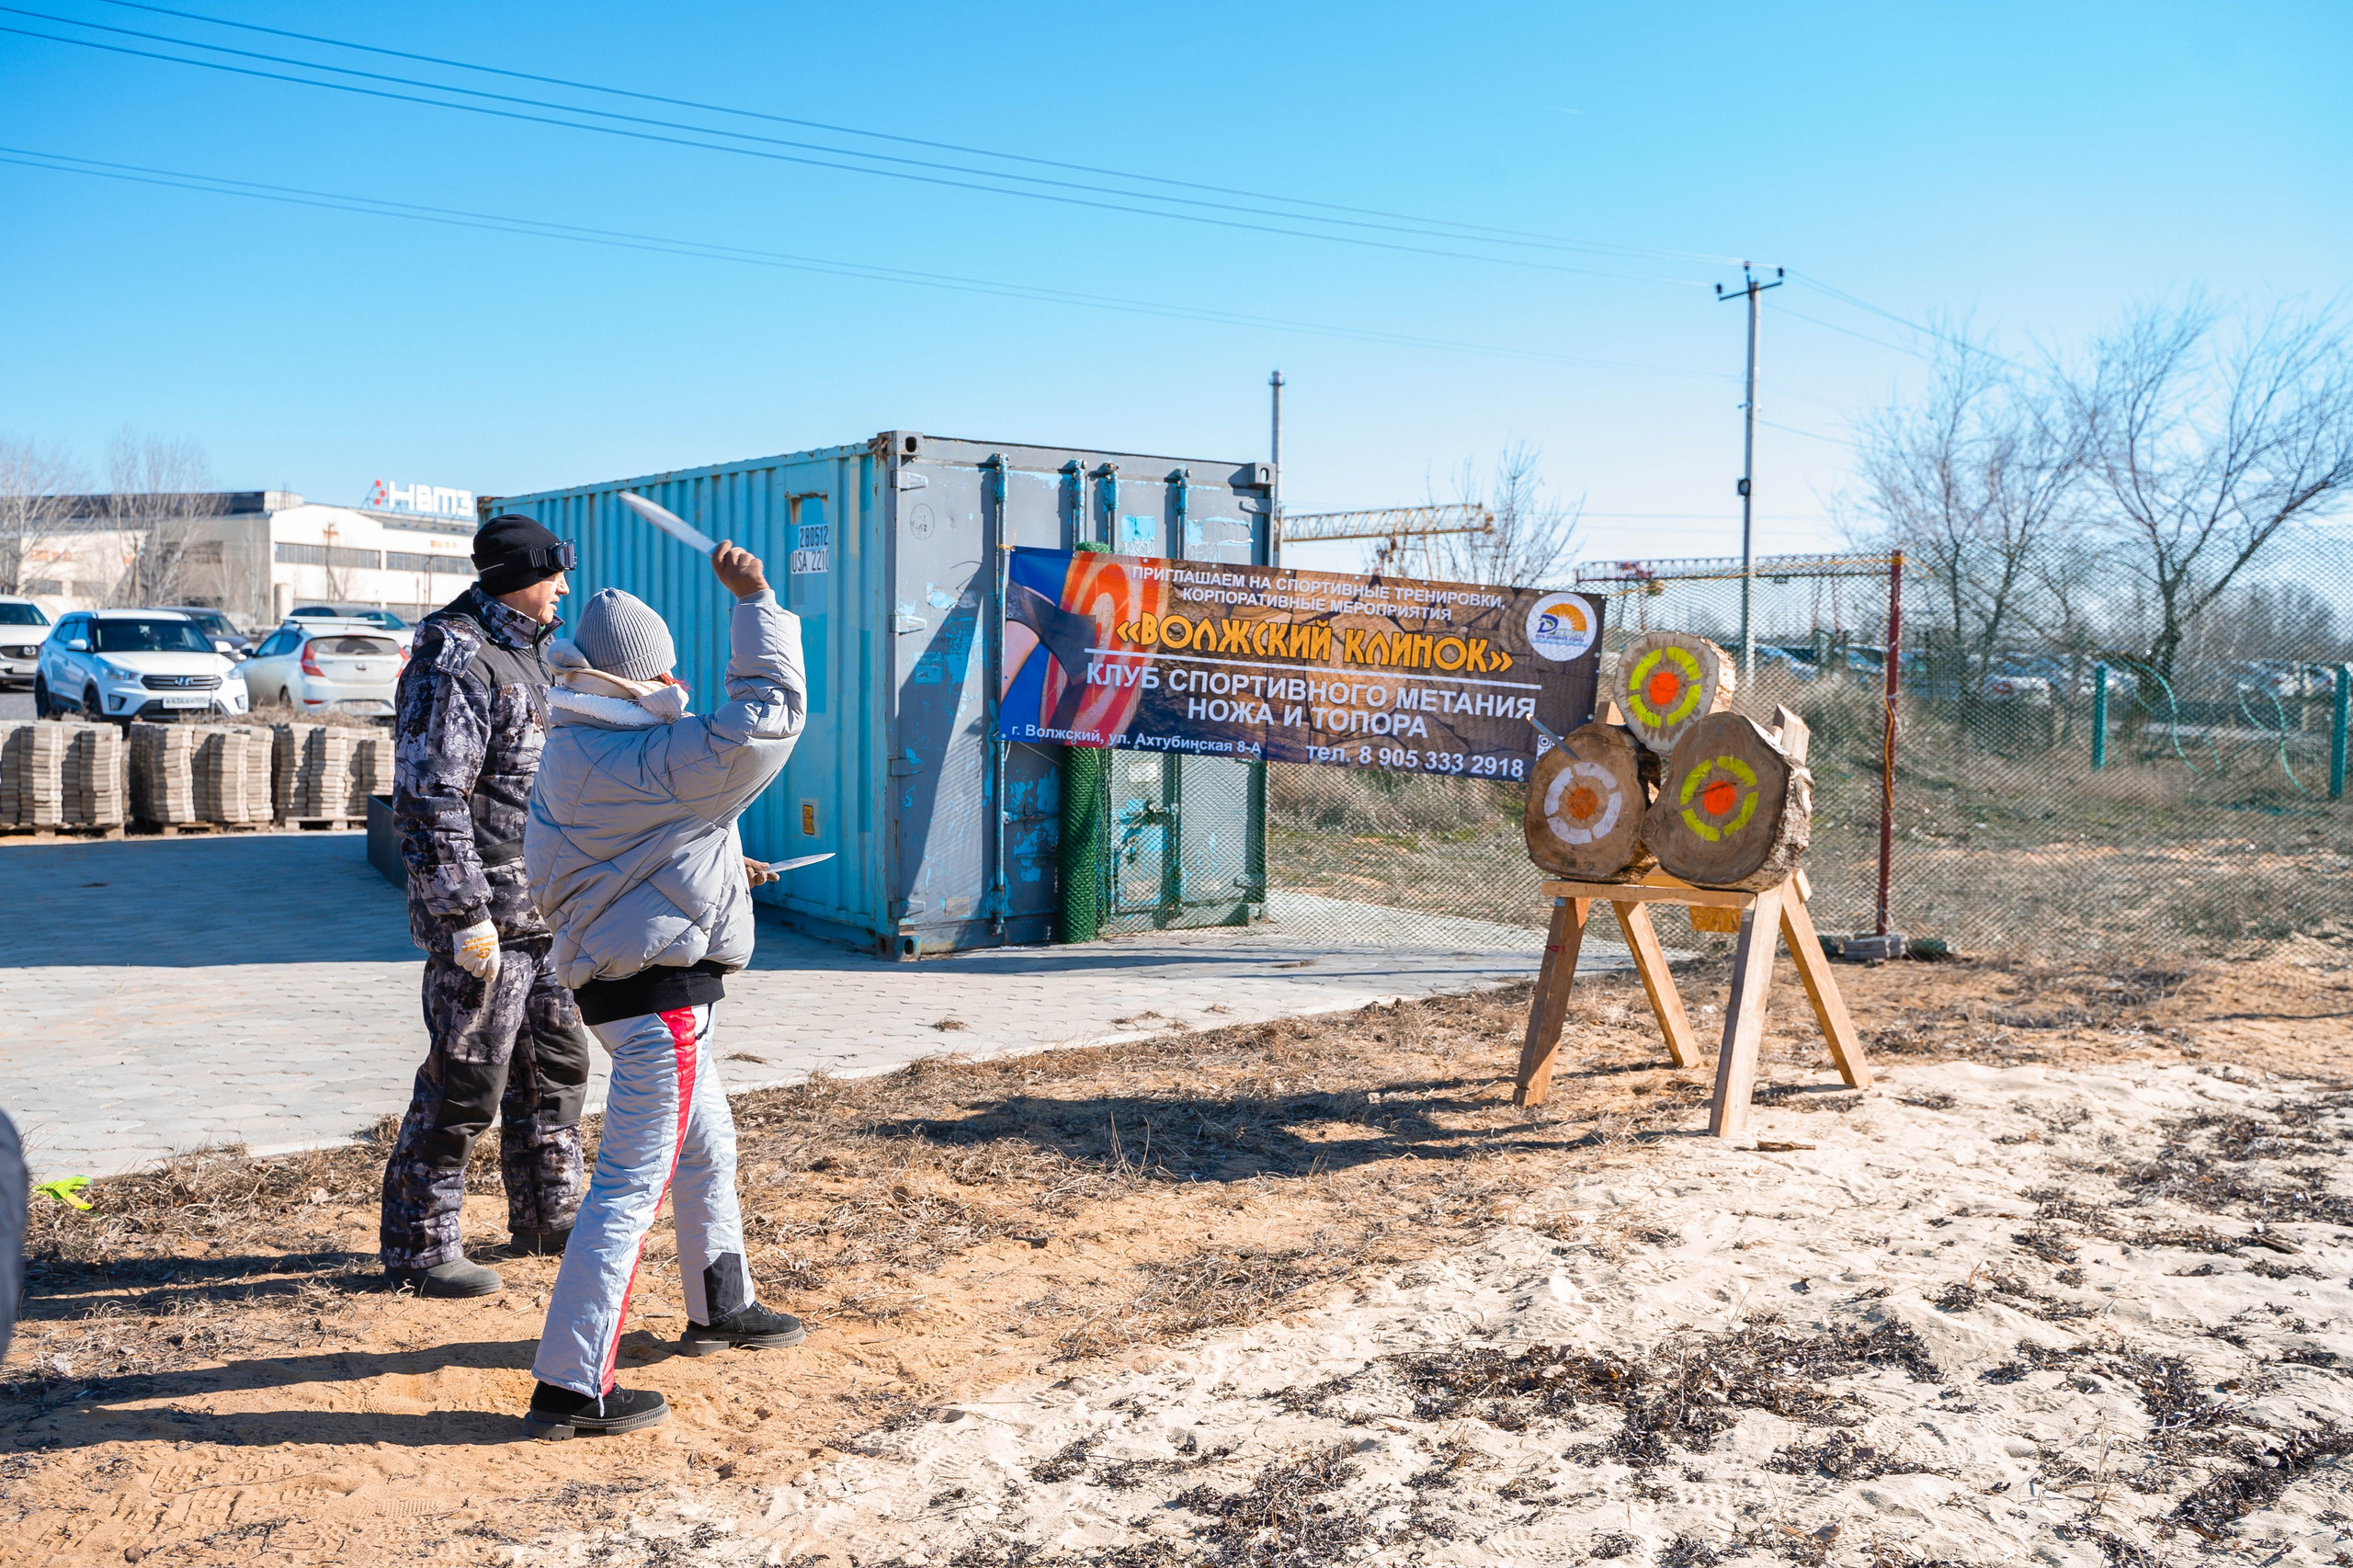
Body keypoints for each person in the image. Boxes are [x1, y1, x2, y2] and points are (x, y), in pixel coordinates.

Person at [518, 538, 807, 1439]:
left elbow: (605, 859)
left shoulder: (574, 751)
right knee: (630, 1187)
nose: (678, 676)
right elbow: (769, 714)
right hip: (662, 1004)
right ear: (632, 675)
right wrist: (755, 599)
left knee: (705, 1147)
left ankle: (723, 1304)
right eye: (666, 665)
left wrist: (718, 861)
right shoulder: (665, 757)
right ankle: (572, 1384)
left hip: (620, 995)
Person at [379, 515, 596, 1298]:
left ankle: (547, 1212)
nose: (564, 589)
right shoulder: (458, 656)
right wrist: (463, 913)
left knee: (556, 1069)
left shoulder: (535, 654)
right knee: (466, 1079)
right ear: (517, 575)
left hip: (545, 915)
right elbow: (430, 798)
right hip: (485, 922)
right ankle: (421, 1246)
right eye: (554, 576)